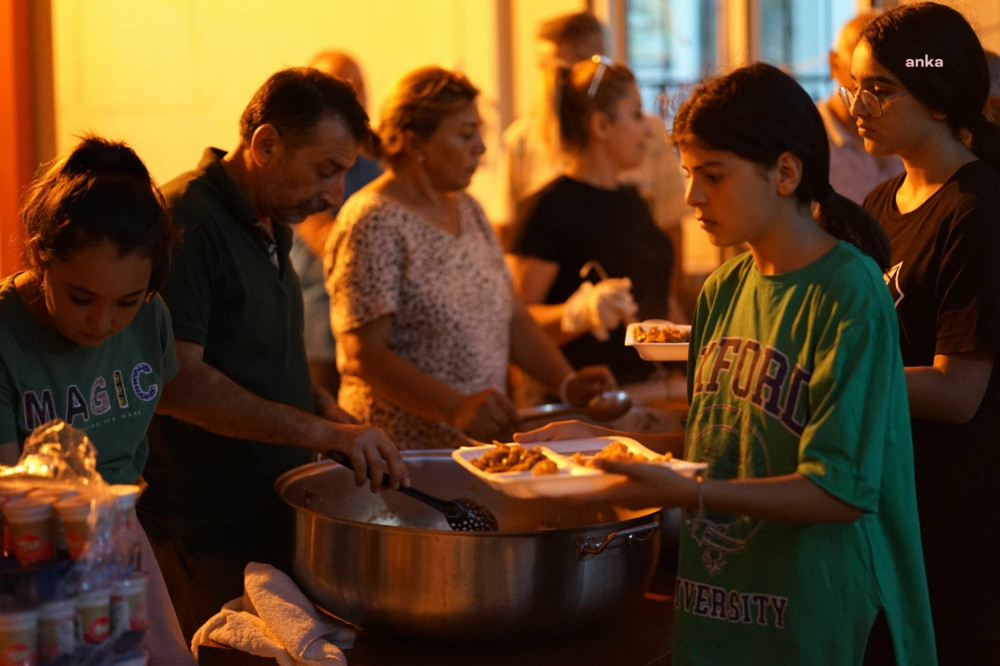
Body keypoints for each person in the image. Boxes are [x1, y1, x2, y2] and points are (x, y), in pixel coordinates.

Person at [518, 63, 936, 664]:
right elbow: (719, 439)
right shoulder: (722, 290)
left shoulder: (848, 290)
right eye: (689, 174)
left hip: (818, 617)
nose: (692, 196)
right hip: (721, 610)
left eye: (713, 175)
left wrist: (691, 493)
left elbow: (839, 491)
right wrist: (600, 442)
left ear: (786, 172)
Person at [137, 67, 409, 640]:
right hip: (204, 530)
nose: (335, 193)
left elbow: (260, 359)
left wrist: (330, 415)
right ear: (265, 144)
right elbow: (178, 385)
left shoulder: (270, 219)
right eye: (325, 170)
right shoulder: (187, 217)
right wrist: (320, 434)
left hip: (265, 514)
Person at [324, 66, 614, 450]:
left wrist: (566, 380)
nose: (480, 147)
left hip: (470, 448)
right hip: (398, 458)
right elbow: (363, 353)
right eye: (465, 134)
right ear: (415, 142)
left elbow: (511, 317)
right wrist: (456, 407)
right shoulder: (373, 220)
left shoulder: (470, 210)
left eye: (479, 132)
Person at [0, 136, 194, 663]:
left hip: (118, 530)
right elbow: (14, 500)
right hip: (28, 553)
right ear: (41, 256)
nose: (103, 322)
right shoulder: (5, 334)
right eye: (82, 298)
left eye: (126, 301)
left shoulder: (152, 317)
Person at [851, 4, 1000, 661]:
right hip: (887, 503)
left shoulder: (976, 210)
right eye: (853, 84)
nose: (858, 103)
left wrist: (834, 375)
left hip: (956, 517)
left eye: (880, 89)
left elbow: (958, 390)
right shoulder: (879, 206)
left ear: (939, 100)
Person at [506, 56, 675, 389]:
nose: (647, 129)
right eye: (636, 114)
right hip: (588, 400)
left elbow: (659, 298)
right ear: (600, 126)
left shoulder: (634, 200)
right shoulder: (547, 209)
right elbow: (515, 327)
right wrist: (578, 313)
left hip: (653, 387)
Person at [493, 11, 687, 248]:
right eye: (546, 69)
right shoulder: (522, 141)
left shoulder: (646, 134)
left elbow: (670, 230)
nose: (555, 81)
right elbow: (508, 231)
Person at [290, 51, 382, 396]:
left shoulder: (377, 158)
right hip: (321, 331)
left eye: (360, 87)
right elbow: (326, 239)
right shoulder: (306, 158)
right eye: (343, 88)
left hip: (376, 331)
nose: (354, 97)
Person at [816, 12, 903, 205]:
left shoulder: (906, 127)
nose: (877, 70)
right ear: (833, 63)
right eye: (860, 57)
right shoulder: (807, 139)